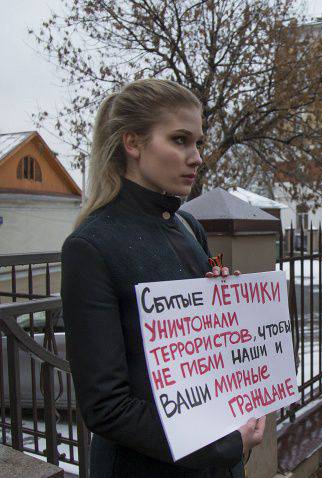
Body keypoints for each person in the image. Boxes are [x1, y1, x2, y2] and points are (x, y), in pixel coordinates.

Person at [61, 79, 265, 478]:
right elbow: (107, 407)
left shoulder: (188, 226)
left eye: (198, 143)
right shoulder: (91, 246)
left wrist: (228, 311)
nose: (196, 157)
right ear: (133, 144)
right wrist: (221, 447)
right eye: (180, 140)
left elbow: (200, 355)